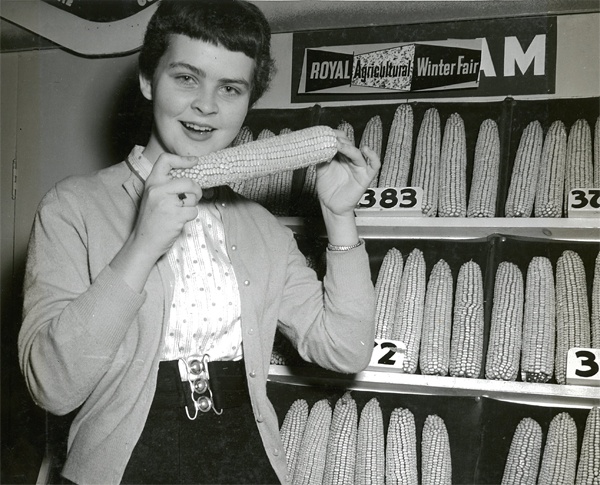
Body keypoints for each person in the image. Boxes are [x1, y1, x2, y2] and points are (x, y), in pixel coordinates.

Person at [18, 0, 380, 483]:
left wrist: (338, 216)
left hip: (245, 460)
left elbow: (345, 349)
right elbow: (52, 387)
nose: (207, 105)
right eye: (186, 78)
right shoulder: (73, 208)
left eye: (230, 88)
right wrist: (142, 246)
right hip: (127, 464)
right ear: (149, 81)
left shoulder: (260, 227)